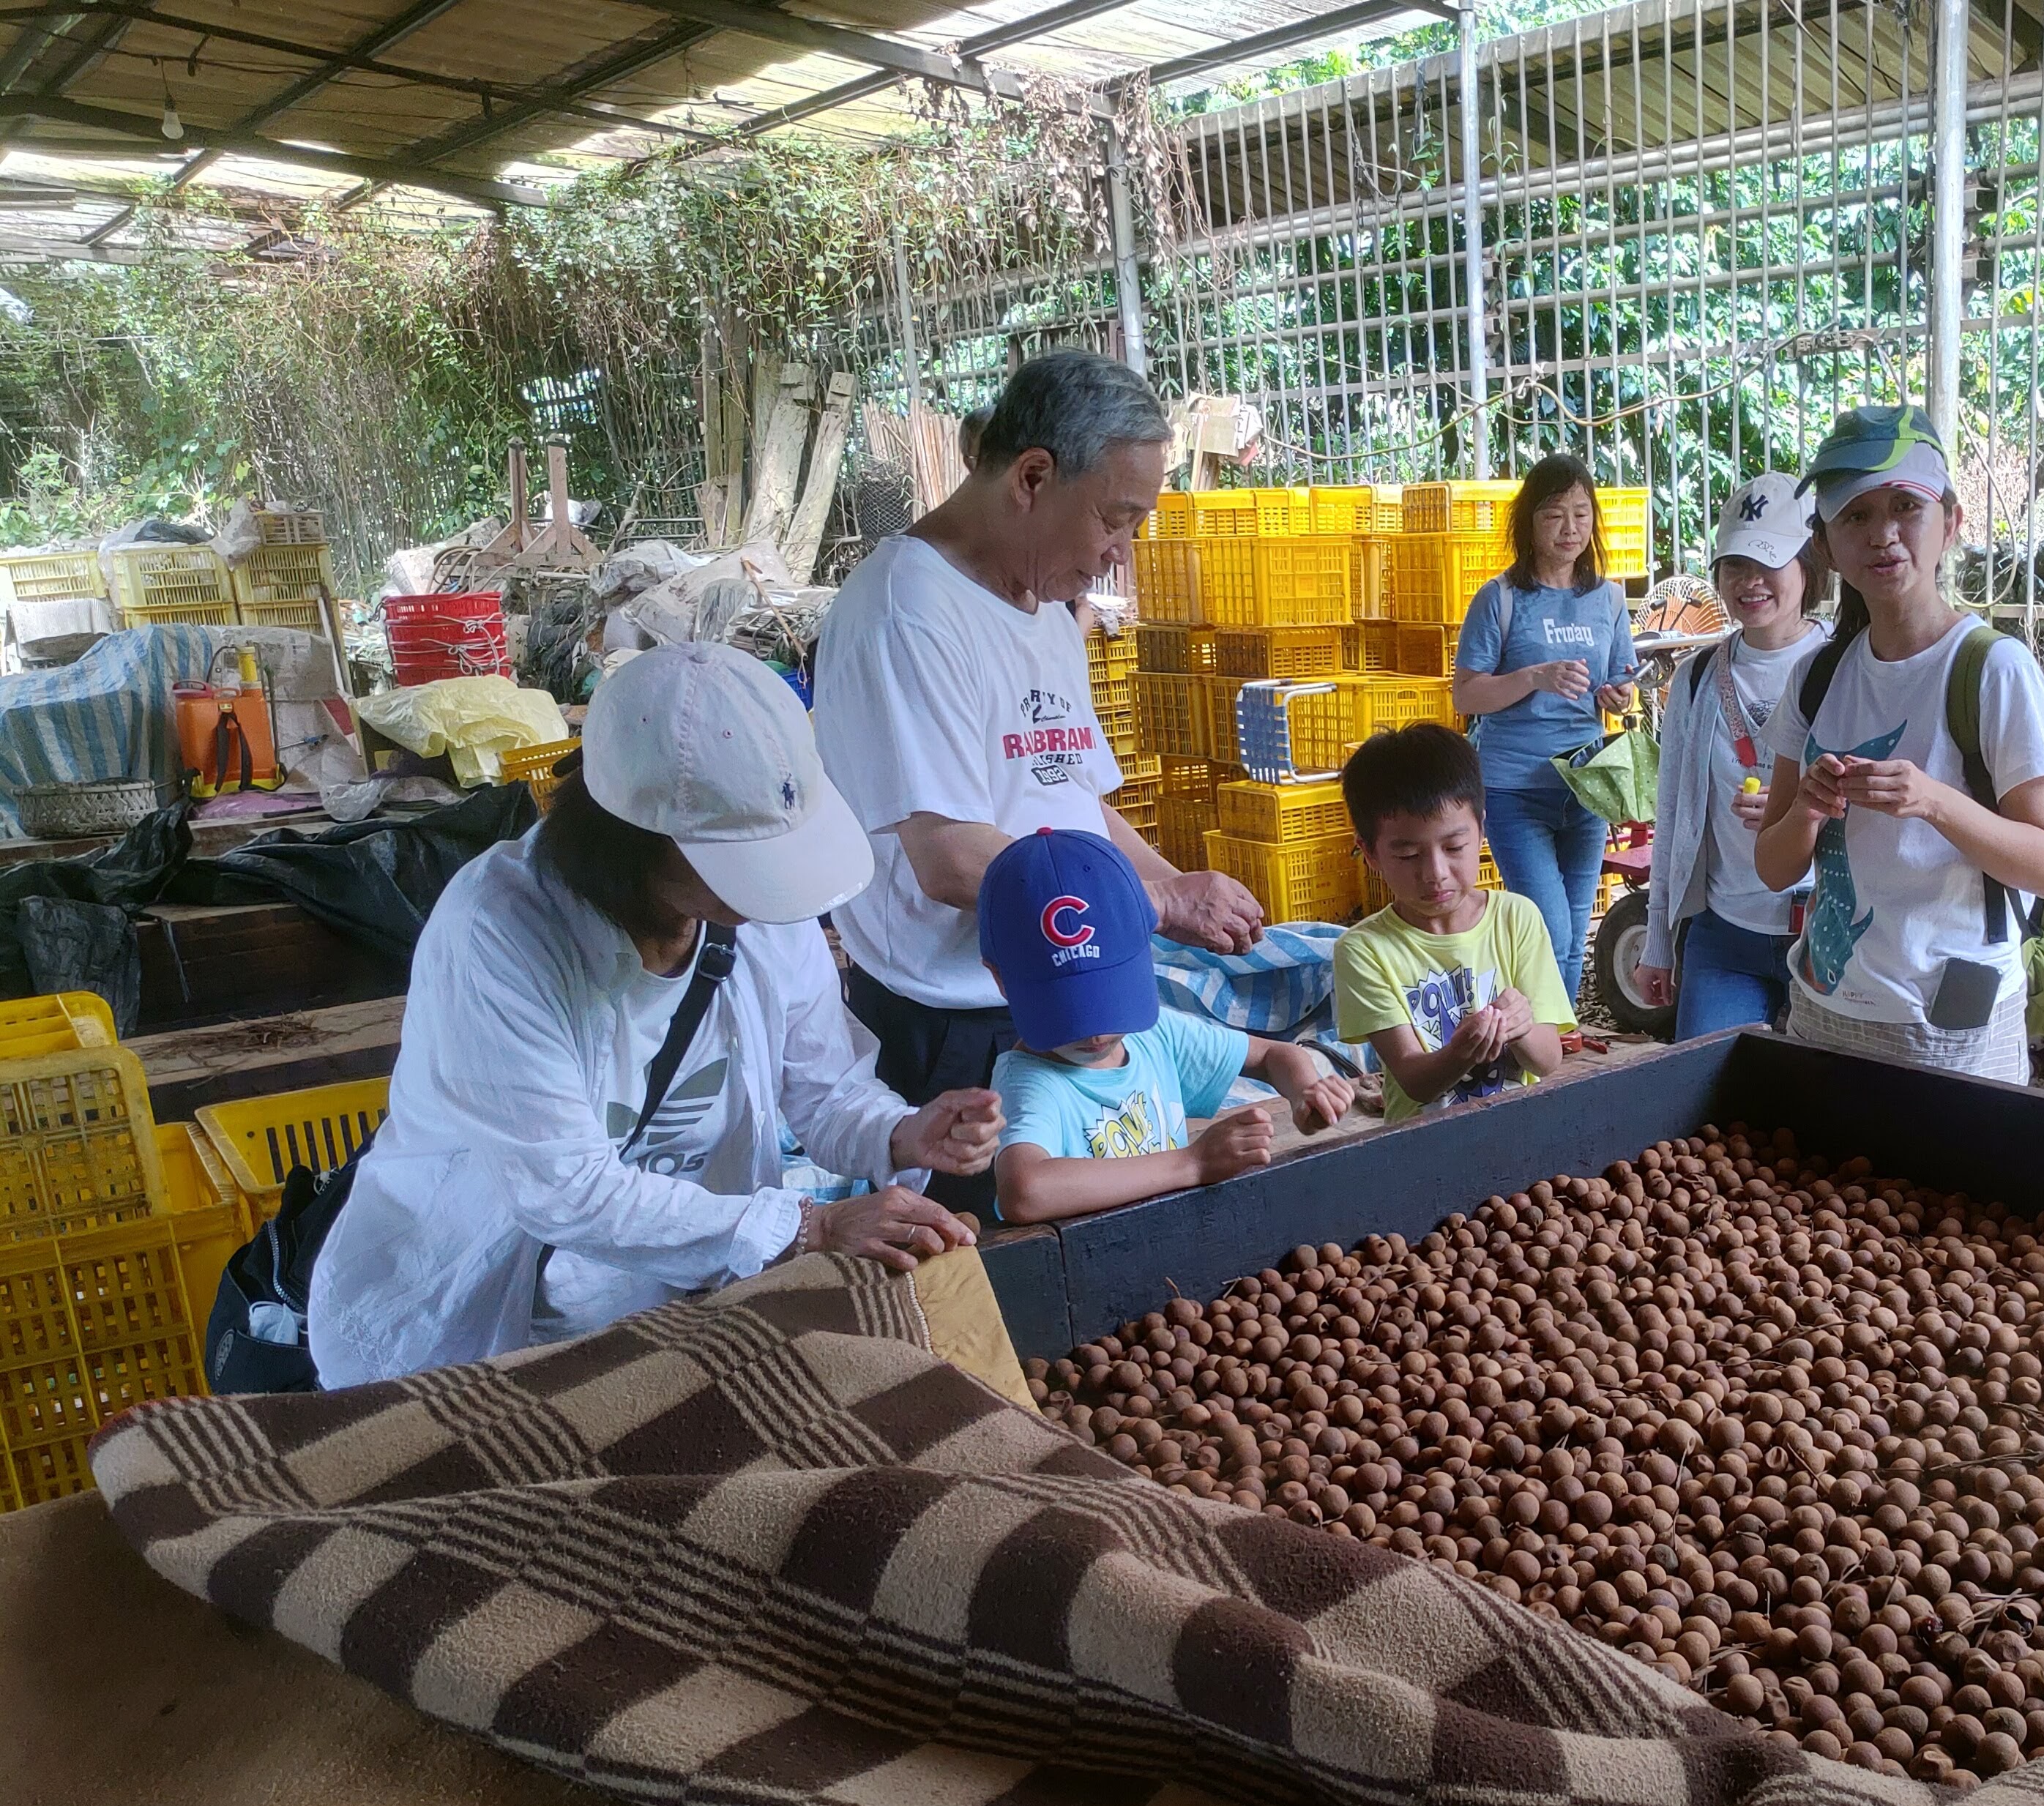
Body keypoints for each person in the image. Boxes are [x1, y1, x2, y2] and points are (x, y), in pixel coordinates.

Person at [310, 643, 1004, 1388]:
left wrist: (898, 1133)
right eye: (735, 860)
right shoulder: (497, 933)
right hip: (467, 1332)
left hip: (670, 1317)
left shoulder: (761, 914)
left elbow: (826, 1090)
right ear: (635, 836)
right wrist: (812, 1228)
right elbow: (567, 1191)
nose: (764, 892)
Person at [813, 349, 1263, 1212]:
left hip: (1080, 981)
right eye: (1115, 520)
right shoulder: (908, 613)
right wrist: (1156, 906)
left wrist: (1177, 885)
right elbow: (948, 859)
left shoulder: (1045, 609)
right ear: (1031, 477)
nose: (1119, 557)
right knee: (991, 1265)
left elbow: (1072, 796)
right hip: (961, 1024)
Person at [1750, 404, 2044, 1079]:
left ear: (1950, 523)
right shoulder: (1816, 674)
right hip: (1826, 1006)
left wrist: (1933, 802)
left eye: (1905, 507)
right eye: (1856, 516)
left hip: (1951, 1022)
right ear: (1827, 545)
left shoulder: (1992, 668)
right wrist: (1808, 808)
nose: (1884, 535)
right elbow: (1775, 869)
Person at [983, 828, 1353, 1223]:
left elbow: (1273, 1055)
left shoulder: (1155, 1037)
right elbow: (1023, 1192)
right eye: (1068, 1012)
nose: (1097, 1034)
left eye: (1108, 1004)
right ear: (1000, 979)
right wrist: (1192, 1163)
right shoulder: (1031, 1082)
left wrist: (1306, 1091)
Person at [1633, 471, 1831, 1037]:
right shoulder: (1696, 680)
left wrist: (1794, 809)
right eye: (1735, 565)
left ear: (1808, 564)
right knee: (1711, 1104)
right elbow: (1672, 815)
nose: (1750, 582)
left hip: (1827, 931)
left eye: (1768, 562)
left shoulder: (1846, 667)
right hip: (1725, 935)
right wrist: (1659, 943)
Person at [1448, 454, 1637, 1007]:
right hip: (1514, 789)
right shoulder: (1501, 598)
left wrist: (1617, 695)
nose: (1571, 528)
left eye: (1582, 513)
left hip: (1585, 786)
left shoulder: (1608, 598)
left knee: (1577, 926)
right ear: (1529, 522)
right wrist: (1534, 676)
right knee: (1548, 924)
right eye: (1556, 514)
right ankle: (1537, 1035)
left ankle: (1558, 1032)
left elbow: (1622, 684)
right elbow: (1467, 694)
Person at [1335, 722, 1573, 1122]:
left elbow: (1549, 1060)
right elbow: (1414, 1080)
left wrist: (1521, 1028)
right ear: (1370, 853)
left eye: (1454, 847)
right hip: (1421, 1147)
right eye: (1408, 855)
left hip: (1516, 1131)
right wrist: (1462, 1051)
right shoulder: (1363, 950)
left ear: (1481, 829)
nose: (1435, 873)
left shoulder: (1517, 918)